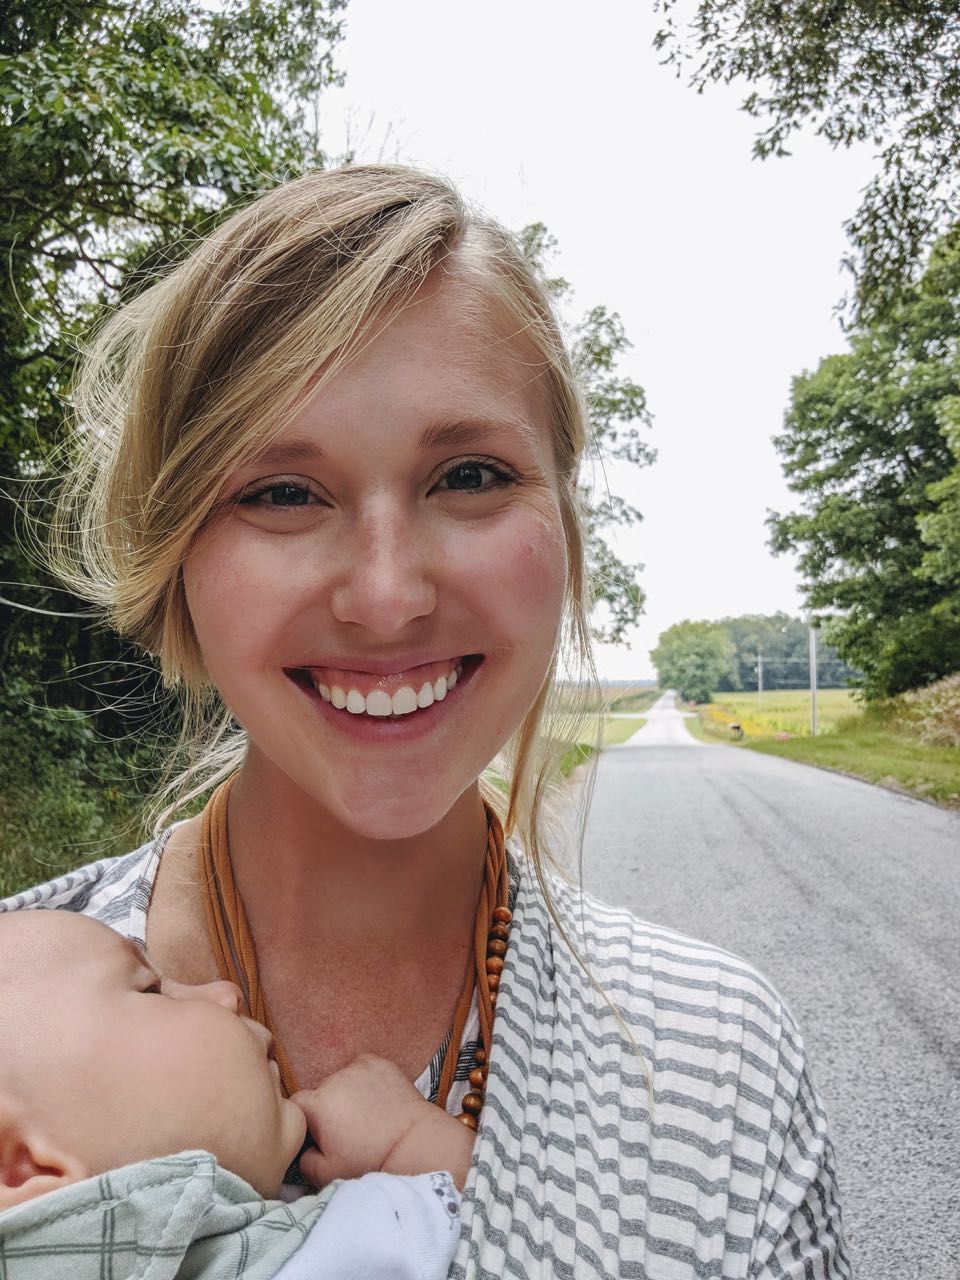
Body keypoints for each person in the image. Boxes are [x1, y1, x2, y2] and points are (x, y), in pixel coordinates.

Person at [2, 164, 850, 1277]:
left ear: (565, 523)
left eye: (469, 475)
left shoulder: (722, 1074)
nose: (388, 595)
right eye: (283, 492)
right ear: (176, 554)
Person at [0, 909, 467, 1279]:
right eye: (153, 990)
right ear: (20, 1167)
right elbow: (495, 1233)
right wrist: (408, 1143)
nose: (227, 993)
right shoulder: (346, 1249)